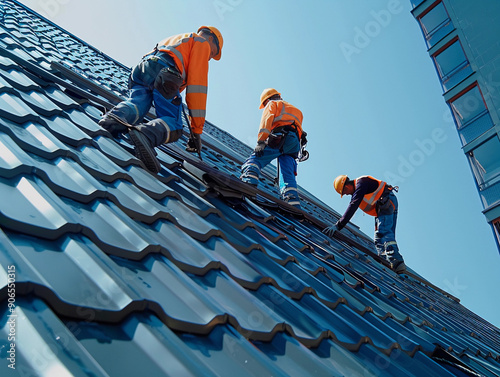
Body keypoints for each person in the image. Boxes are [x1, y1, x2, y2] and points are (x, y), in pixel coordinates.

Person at [98, 26, 223, 174]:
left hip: (141, 68)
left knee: (138, 104)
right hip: (165, 73)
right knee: (174, 124)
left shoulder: (179, 38)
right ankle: (146, 134)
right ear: (210, 39)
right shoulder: (202, 43)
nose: (209, 57)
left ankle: (113, 120)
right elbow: (197, 88)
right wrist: (196, 131)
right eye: (213, 52)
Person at [323, 175, 406, 273]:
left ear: (346, 187)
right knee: (379, 238)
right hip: (384, 205)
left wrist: (338, 225)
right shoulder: (360, 187)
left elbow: (354, 204)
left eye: (345, 193)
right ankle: (386, 261)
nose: (347, 195)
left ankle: (396, 261)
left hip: (386, 202)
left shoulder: (361, 183)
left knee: (384, 232)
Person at [240, 88, 306, 209]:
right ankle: (292, 203)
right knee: (287, 172)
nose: (265, 106)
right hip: (294, 144)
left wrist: (261, 141)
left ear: (268, 99)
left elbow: (266, 122)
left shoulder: (272, 104)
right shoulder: (297, 110)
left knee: (255, 159)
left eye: (264, 104)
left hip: (280, 138)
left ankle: (249, 180)